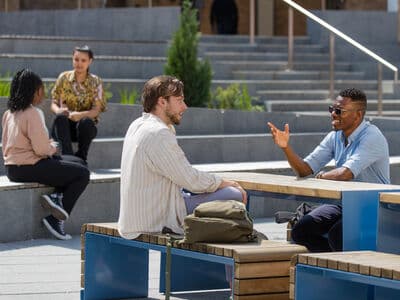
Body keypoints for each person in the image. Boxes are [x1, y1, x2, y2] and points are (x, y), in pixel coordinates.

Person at [118, 75, 247, 239]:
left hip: (135, 218)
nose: (185, 106)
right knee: (234, 194)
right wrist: (224, 182)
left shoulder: (138, 124)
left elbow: (181, 176)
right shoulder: (158, 133)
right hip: (155, 220)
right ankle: (233, 260)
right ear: (162, 102)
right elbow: (191, 180)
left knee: (208, 191)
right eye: (179, 100)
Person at [267, 88, 390, 252]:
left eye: (339, 111)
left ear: (358, 115)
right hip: (344, 203)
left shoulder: (372, 137)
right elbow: (305, 170)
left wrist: (322, 177)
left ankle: (347, 272)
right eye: (332, 109)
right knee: (301, 230)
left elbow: (346, 173)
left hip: (372, 206)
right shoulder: (335, 136)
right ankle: (330, 266)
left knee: (338, 235)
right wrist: (286, 147)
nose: (333, 114)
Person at [2, 69, 90, 240]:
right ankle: (54, 219)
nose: (43, 94)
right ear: (33, 92)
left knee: (77, 161)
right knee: (83, 173)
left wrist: (48, 148)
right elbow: (42, 150)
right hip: (30, 166)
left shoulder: (8, 113)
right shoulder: (32, 113)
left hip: (13, 168)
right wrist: (53, 147)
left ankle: (57, 196)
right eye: (40, 90)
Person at [51, 45, 106, 165]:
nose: (79, 63)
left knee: (87, 122)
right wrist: (58, 111)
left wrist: (79, 115)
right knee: (60, 118)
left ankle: (82, 158)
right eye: (76, 59)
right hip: (65, 127)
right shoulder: (63, 78)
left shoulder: (96, 81)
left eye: (83, 60)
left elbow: (96, 110)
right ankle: (67, 156)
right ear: (72, 59)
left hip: (84, 128)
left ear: (90, 61)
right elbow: (54, 103)